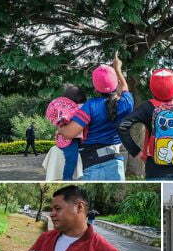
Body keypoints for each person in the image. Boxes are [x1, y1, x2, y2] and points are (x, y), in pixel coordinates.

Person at [57, 53, 133, 181]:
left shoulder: (91, 106)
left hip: (93, 163)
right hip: (116, 162)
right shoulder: (127, 103)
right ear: (115, 84)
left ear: (95, 88)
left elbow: (69, 133)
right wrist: (118, 69)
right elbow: (124, 87)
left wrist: (60, 128)